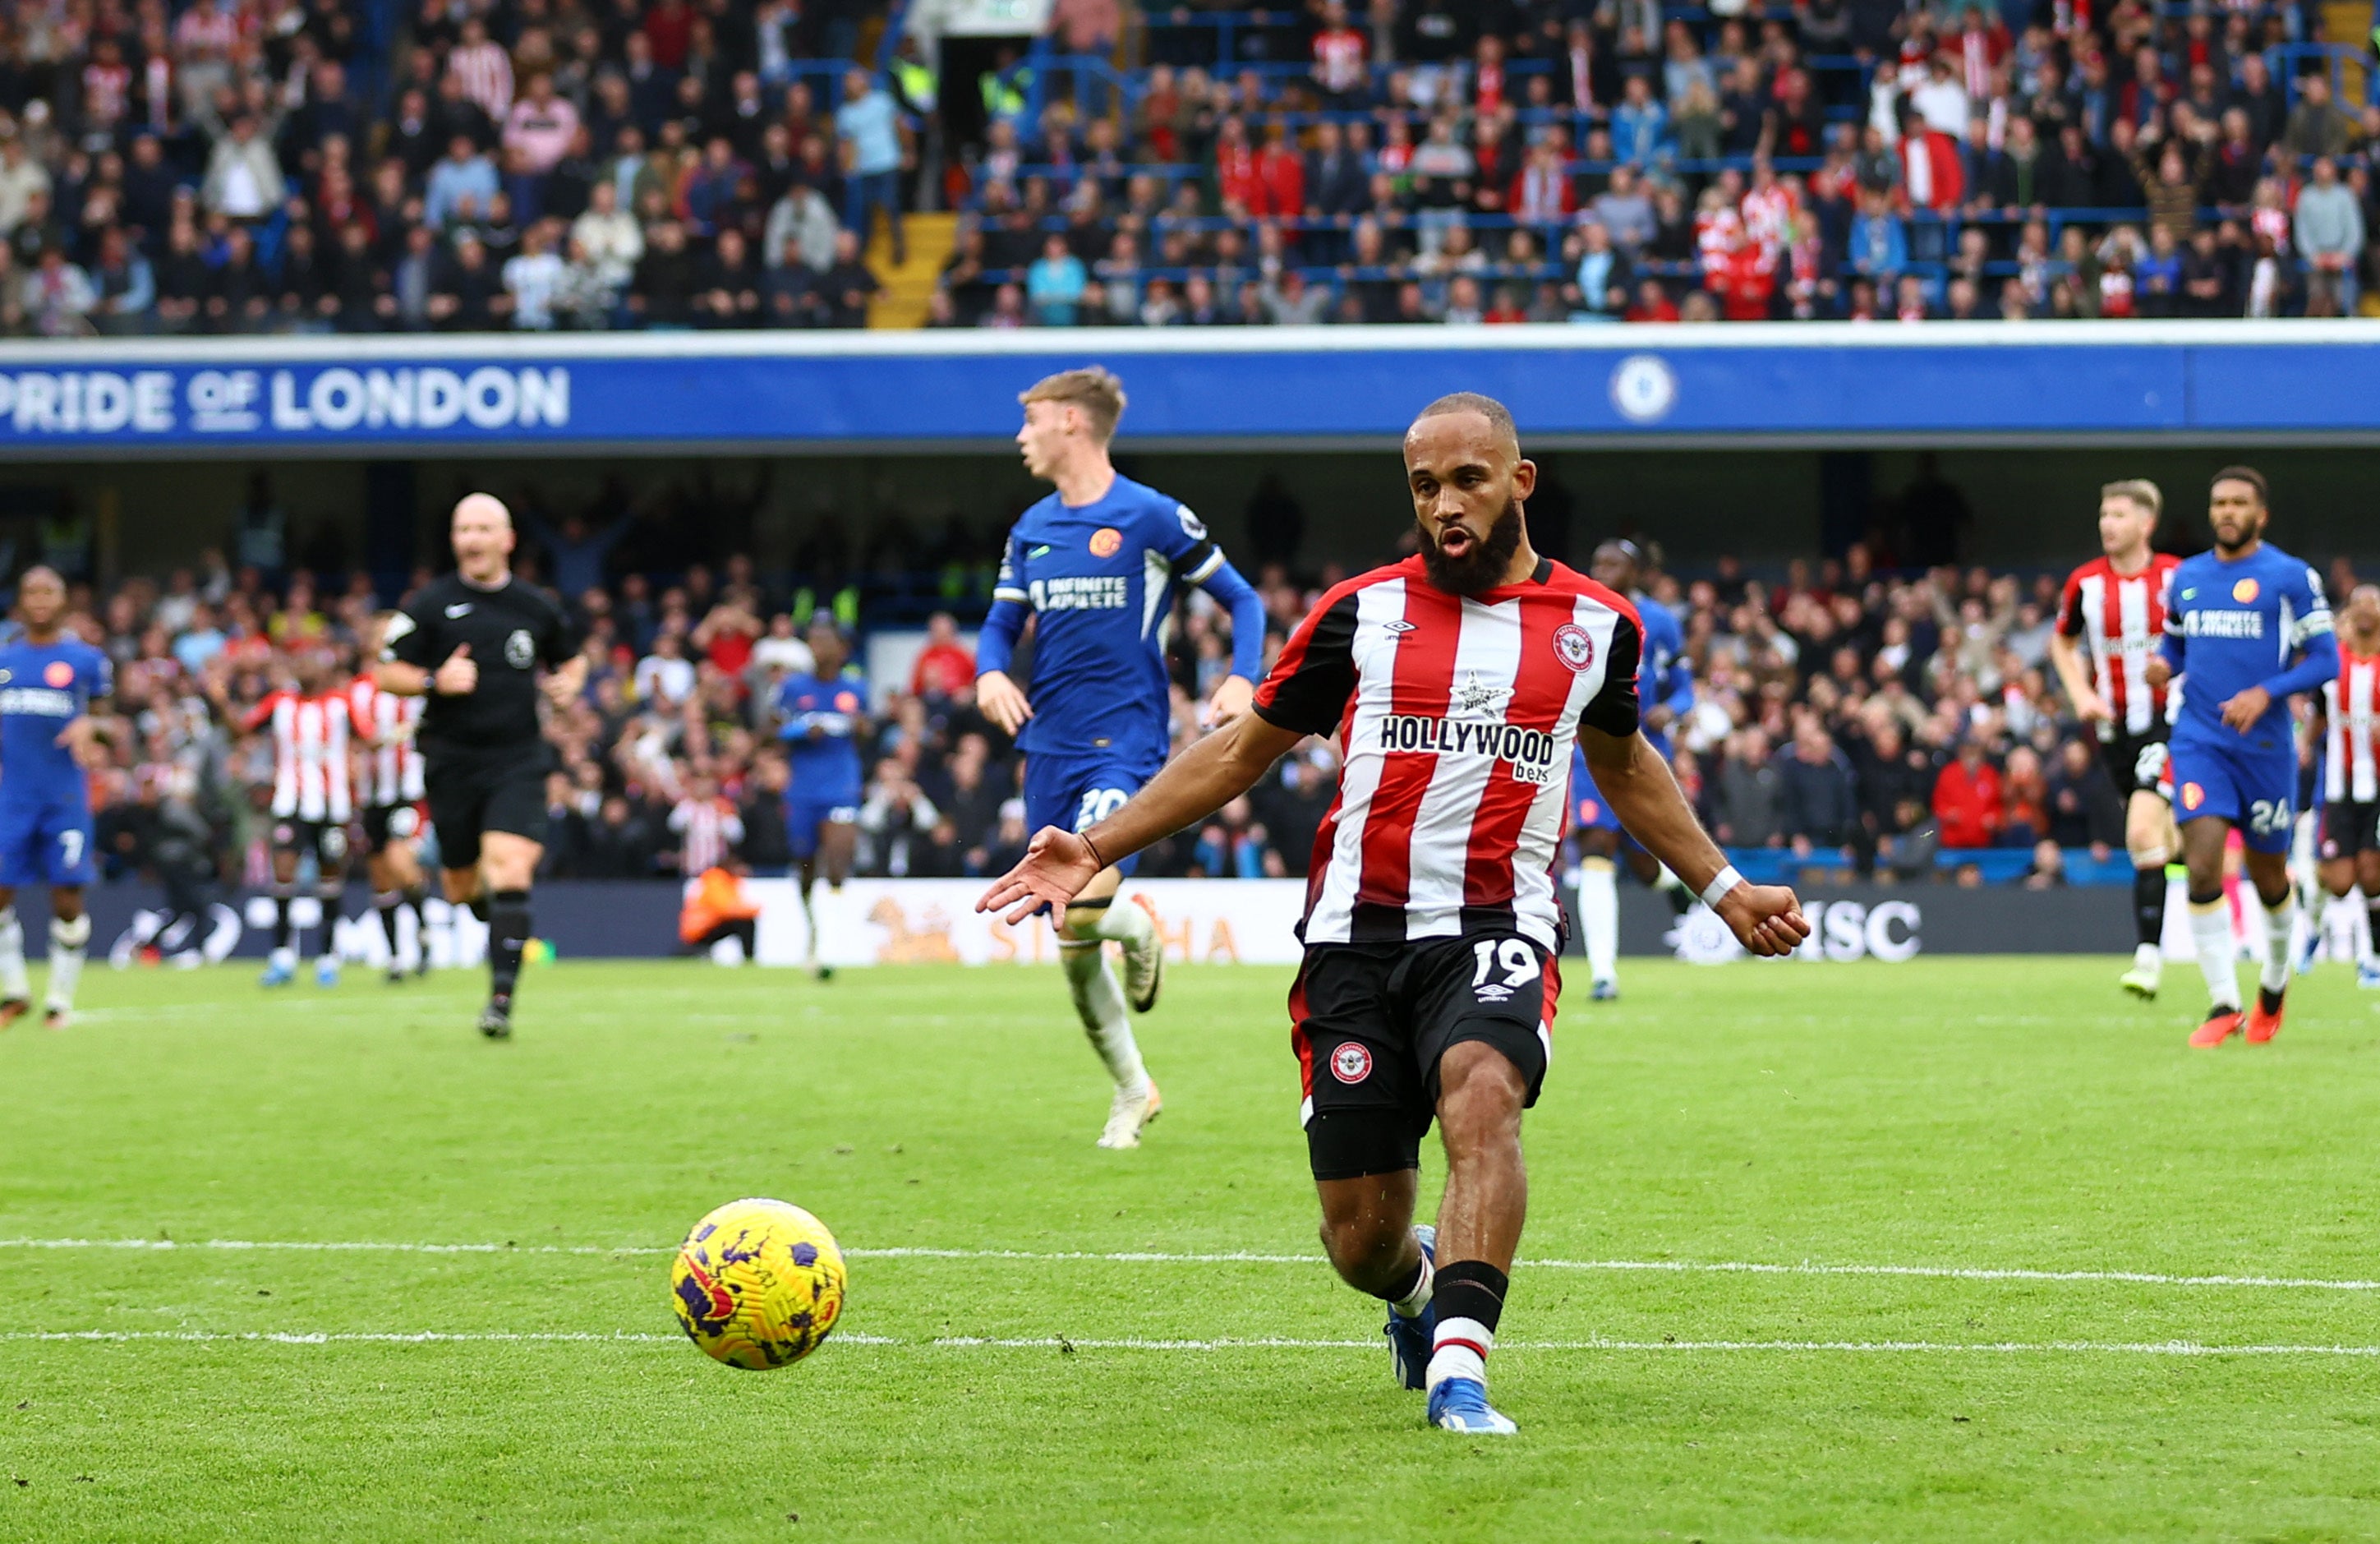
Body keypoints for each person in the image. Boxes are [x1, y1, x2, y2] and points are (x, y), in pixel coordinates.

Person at [979, 393, 1809, 1435]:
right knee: (1360, 1240)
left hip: (1495, 928)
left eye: (1467, 479)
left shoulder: (1599, 627)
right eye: (1424, 486)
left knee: (1482, 1093)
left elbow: (1623, 763)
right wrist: (1095, 846)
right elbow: (1240, 752)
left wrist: (1723, 888)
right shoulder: (1358, 612)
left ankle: (1462, 1373)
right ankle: (1415, 1297)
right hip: (1352, 941)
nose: (1445, 505)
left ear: (1520, 481)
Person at [975, 366, 1269, 1150]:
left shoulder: (1150, 516)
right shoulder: (1032, 527)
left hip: (1124, 744)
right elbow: (1000, 627)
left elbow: (1244, 599)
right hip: (1047, 750)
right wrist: (989, 671)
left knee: (1082, 898)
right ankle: (1133, 1088)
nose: (1020, 436)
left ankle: (1135, 930)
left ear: (1071, 421)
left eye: (1030, 420)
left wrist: (1242, 675)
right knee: (1071, 948)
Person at [377, 494, 586, 1039]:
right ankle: (503, 931)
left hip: (517, 758)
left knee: (510, 866)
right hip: (450, 762)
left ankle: (500, 1000)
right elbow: (386, 672)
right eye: (462, 528)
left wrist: (571, 681)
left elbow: (571, 656)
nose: (471, 538)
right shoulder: (430, 604)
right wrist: (432, 681)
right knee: (463, 886)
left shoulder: (535, 606)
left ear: (507, 539)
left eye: (482, 528)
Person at [2148, 468, 2338, 1048]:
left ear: (2261, 514)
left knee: (2268, 875)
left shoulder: (2288, 577)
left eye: (2238, 503)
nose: (2226, 511)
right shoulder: (2186, 577)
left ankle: (2273, 989)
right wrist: (2164, 665)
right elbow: (2175, 644)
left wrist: (2266, 692)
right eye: (2218, 503)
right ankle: (2222, 1001)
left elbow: (2324, 659)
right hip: (2199, 739)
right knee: (2202, 863)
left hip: (2264, 747)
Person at [2048, 479, 2184, 998]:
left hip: (2169, 720)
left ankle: (2147, 958)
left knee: (2142, 830)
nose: (2108, 524)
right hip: (2113, 731)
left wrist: (2173, 668)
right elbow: (2061, 643)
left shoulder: (2177, 576)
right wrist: (2081, 692)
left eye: (2120, 515)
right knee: (2166, 843)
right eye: (2104, 514)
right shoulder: (2085, 583)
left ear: (2146, 524)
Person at [1565, 538, 1694, 999]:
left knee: (1643, 864)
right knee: (1596, 849)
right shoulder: (1576, 613)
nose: (1601, 570)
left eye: (1612, 564)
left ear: (1635, 572)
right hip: (1587, 755)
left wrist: (1672, 710)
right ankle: (1604, 974)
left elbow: (1684, 689)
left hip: (1643, 754)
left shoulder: (1660, 621)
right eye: (1597, 561)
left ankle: (1673, 883)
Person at [0, 566, 109, 1027]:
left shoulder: (85, 659)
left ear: (64, 601)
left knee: (66, 899)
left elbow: (111, 722)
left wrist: (94, 725)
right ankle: (15, 991)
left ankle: (60, 1000)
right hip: (11, 797)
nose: (40, 599)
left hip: (63, 797)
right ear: (21, 601)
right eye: (32, 592)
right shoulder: (5, 654)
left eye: (49, 591)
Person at [232, 647, 352, 987]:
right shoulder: (279, 703)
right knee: (283, 875)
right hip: (290, 804)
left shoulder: (341, 704)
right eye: (299, 661)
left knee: (329, 880)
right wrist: (218, 699)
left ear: (325, 668)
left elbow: (367, 738)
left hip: (332, 806)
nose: (304, 665)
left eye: (311, 658)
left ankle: (328, 958)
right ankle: (283, 957)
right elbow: (243, 729)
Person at [773, 616, 864, 979]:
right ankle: (812, 932)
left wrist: (862, 726)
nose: (818, 646)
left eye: (825, 640)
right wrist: (799, 730)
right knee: (805, 864)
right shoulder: (793, 688)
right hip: (803, 789)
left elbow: (868, 726)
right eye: (813, 639)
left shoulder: (855, 688)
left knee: (839, 863)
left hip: (841, 786)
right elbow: (770, 729)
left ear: (841, 648)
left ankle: (832, 949)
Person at [347, 615, 431, 981]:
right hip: (372, 795)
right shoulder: (361, 689)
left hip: (407, 792)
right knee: (380, 878)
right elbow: (365, 734)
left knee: (400, 861)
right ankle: (397, 956)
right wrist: (398, 733)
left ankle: (424, 925)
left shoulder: (416, 682)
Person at [2312, 583, 2380, 986]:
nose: (2365, 610)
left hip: (2378, 788)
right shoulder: (2332, 664)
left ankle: (2371, 956)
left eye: (2373, 603)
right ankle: (2310, 925)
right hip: (2339, 784)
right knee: (2339, 880)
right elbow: (2317, 713)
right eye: (2359, 604)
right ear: (2349, 612)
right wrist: (2304, 746)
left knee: (2371, 872)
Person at [680, 853, 762, 961]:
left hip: (711, 924)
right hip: (700, 929)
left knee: (745, 921)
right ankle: (748, 958)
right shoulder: (715, 879)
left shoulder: (731, 881)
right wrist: (754, 910)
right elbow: (725, 908)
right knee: (744, 922)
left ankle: (749, 958)